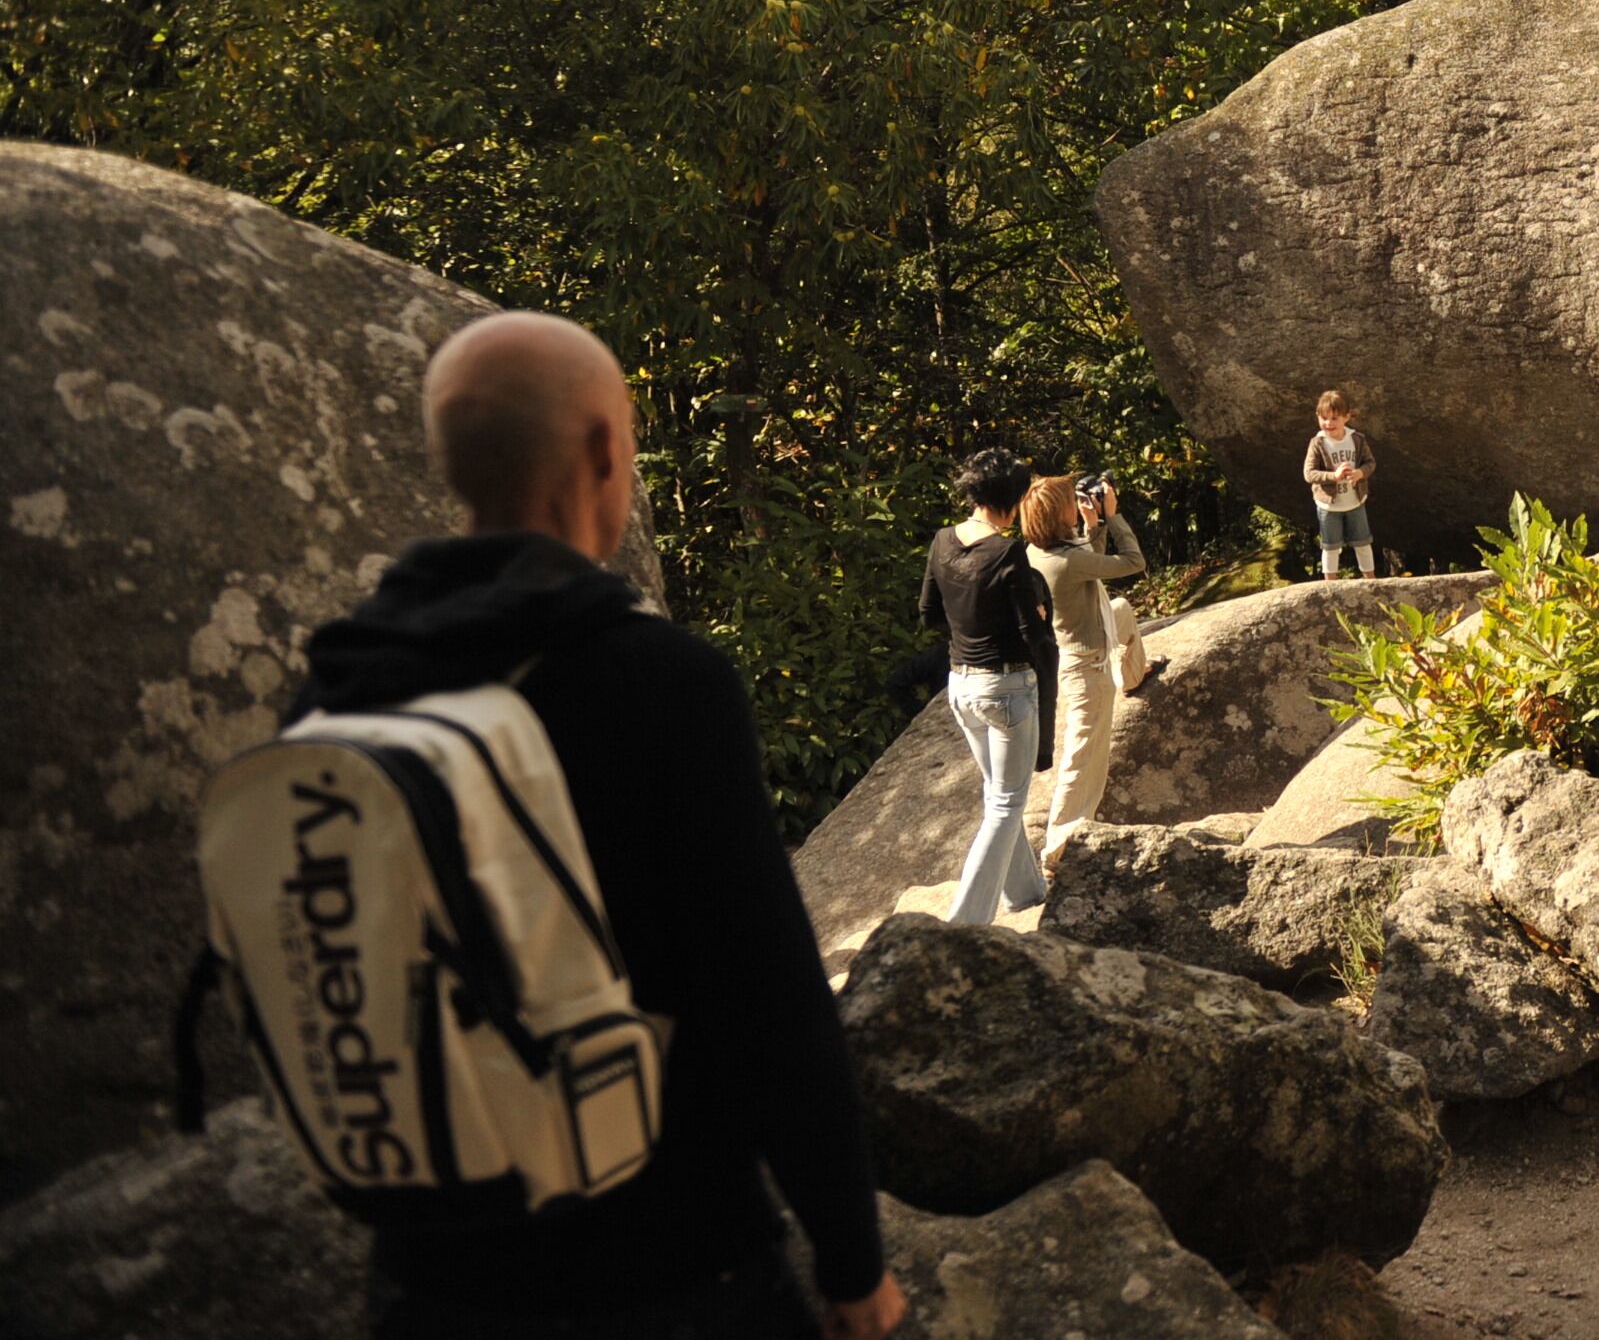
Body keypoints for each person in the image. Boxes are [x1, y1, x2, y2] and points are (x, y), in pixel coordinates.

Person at [295, 312, 904, 1340]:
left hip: (429, 1271)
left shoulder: (342, 684)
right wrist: (853, 1261)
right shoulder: (661, 681)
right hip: (667, 1264)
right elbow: (774, 1005)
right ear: (600, 451)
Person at [917, 447, 1055, 927]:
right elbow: (1029, 634)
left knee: (997, 791)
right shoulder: (1007, 550)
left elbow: (930, 615)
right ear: (1013, 498)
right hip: (1008, 688)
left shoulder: (941, 541)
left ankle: (1026, 891)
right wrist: (1040, 619)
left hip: (961, 687)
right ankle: (965, 925)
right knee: (1004, 802)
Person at [1020, 472, 1146, 851]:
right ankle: (1057, 847)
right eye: (1071, 504)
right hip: (1086, 667)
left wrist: (1093, 528)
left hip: (1083, 641)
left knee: (1121, 610)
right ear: (1059, 516)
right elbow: (1132, 562)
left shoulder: (1036, 552)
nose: (1077, 506)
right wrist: (1113, 517)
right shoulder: (1068, 561)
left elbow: (1087, 567)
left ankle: (1133, 675)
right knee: (1083, 758)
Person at [1303, 389, 1378, 580]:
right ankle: (1331, 585)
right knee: (1330, 546)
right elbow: (1309, 473)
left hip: (1355, 501)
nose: (1328, 423)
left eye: (1334, 418)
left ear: (1346, 417)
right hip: (1329, 505)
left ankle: (1371, 580)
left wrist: (1360, 473)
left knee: (1363, 543)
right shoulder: (1317, 443)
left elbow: (1370, 463)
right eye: (1324, 418)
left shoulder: (1357, 439)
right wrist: (1333, 476)